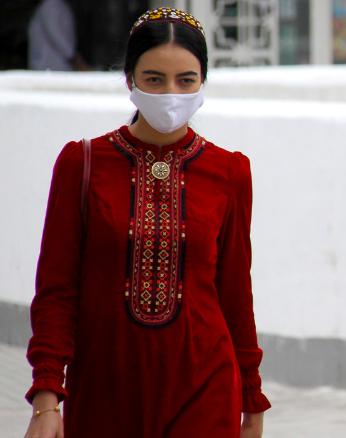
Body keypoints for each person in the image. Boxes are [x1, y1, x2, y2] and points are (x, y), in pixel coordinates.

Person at [24, 8, 270, 438]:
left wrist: (252, 399)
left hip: (205, 388)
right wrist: (47, 398)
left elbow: (234, 294)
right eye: (154, 79)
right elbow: (56, 291)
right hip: (105, 389)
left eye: (186, 80)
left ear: (203, 83)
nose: (170, 93)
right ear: (129, 79)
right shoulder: (81, 163)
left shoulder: (230, 172)